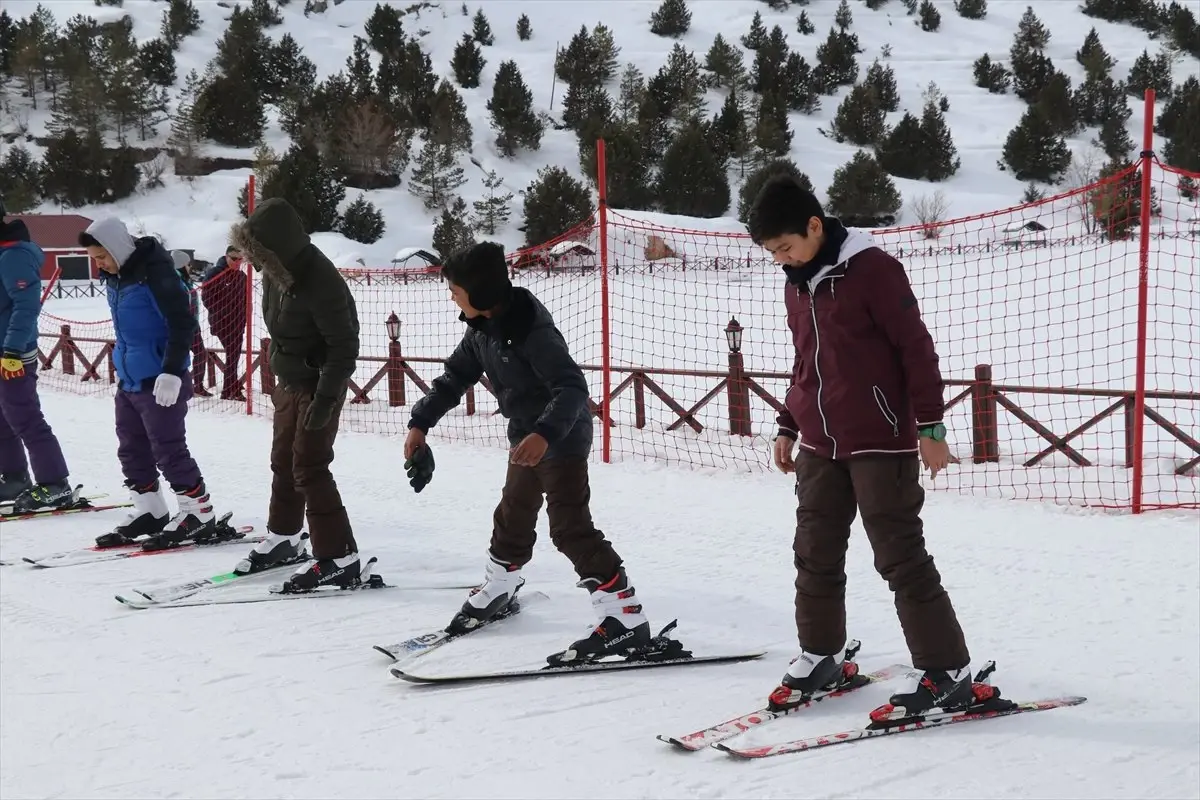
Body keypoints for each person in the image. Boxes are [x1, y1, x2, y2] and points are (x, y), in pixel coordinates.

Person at [747, 176, 976, 721]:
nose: (780, 259)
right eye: (771, 253)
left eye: (785, 246)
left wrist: (931, 427)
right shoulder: (797, 282)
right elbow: (807, 363)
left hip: (881, 440)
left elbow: (917, 350)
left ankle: (946, 672)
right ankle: (821, 656)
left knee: (899, 557)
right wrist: (787, 422)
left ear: (814, 226)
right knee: (814, 553)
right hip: (820, 443)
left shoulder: (873, 270)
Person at [403, 241, 655, 666]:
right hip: (526, 437)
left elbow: (573, 388)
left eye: (456, 291)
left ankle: (625, 618)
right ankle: (500, 586)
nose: (451, 297)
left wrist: (544, 434)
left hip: (562, 438)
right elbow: (454, 378)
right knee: (513, 513)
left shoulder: (531, 330)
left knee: (570, 528)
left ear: (480, 295)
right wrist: (420, 422)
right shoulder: (481, 330)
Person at [228, 198, 361, 592]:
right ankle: (284, 537)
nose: (252, 262)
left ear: (277, 247)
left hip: (321, 384)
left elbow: (344, 348)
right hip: (289, 383)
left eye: (257, 253)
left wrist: (323, 403)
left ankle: (339, 557)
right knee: (283, 461)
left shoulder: (321, 281)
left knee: (310, 466)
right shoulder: (275, 271)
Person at [81, 218, 228, 550]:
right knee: (131, 447)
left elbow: (182, 322)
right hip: (130, 379)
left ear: (117, 248)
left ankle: (198, 514)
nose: (98, 263)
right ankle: (151, 510)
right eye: (94, 258)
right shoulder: (116, 279)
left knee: (168, 448)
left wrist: (173, 371)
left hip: (161, 378)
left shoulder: (155, 274)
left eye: (101, 256)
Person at [0, 198, 74, 513]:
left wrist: (13, 349)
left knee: (25, 417)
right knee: (3, 420)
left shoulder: (14, 255)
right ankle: (14, 477)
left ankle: (55, 483)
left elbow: (27, 305)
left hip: (13, 352)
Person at [200, 246, 248, 401]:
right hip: (222, 322)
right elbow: (207, 298)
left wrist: (242, 316)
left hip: (238, 322)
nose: (238, 262)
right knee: (233, 353)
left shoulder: (241, 276)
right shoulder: (215, 273)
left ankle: (230, 387)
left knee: (234, 354)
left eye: (240, 259)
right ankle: (230, 390)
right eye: (234, 259)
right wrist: (223, 313)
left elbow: (245, 300)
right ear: (226, 257)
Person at [172, 250, 210, 398]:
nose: (190, 267)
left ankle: (197, 386)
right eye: (188, 264)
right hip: (182, 326)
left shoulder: (186, 280)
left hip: (193, 325)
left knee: (200, 353)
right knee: (181, 357)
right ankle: (182, 387)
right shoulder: (175, 281)